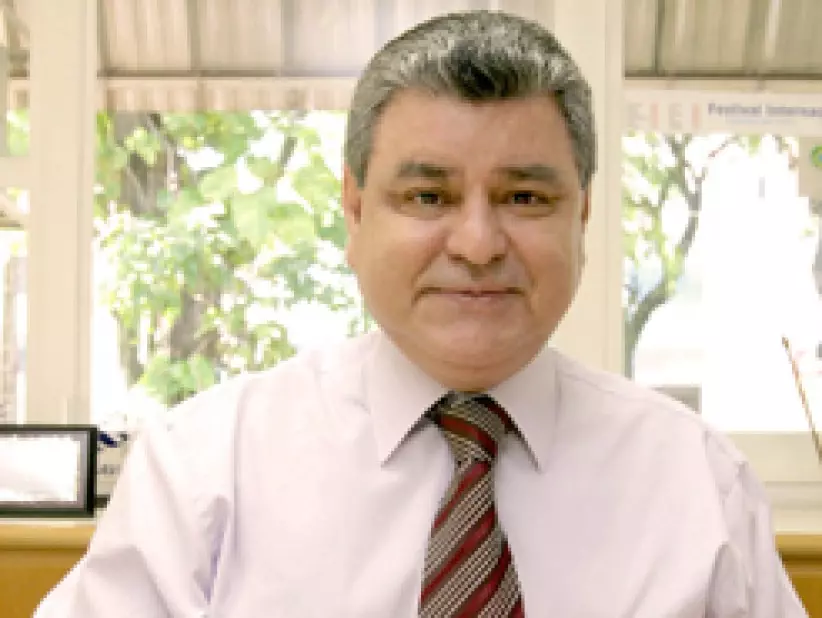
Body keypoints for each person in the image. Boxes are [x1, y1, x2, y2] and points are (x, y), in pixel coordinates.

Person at [35, 10, 808, 617]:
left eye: (525, 197)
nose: (477, 244)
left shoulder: (698, 484)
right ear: (354, 209)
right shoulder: (204, 469)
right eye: (428, 196)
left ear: (582, 217)